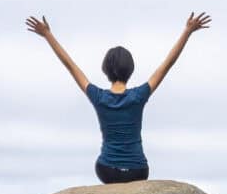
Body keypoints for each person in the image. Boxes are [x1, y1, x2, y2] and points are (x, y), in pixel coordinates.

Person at [25, 10, 212, 183]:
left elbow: (70, 65)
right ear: (131, 70)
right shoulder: (139, 96)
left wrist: (47, 35)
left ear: (105, 70)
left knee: (102, 163)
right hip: (138, 171)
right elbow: (168, 63)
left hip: (108, 170)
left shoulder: (98, 97)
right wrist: (187, 32)